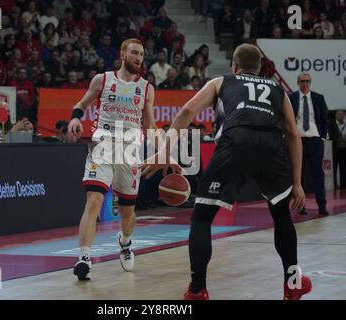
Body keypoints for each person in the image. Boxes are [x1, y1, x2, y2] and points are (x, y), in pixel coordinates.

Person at [141, 43, 312, 300]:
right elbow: (293, 134)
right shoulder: (278, 88)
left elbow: (187, 111)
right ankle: (293, 283)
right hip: (271, 147)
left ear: (234, 66)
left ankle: (198, 289)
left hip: (236, 143)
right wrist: (297, 183)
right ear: (260, 68)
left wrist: (165, 151)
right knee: (282, 217)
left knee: (202, 218)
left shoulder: (222, 81)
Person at [68, 39, 157, 281]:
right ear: (123, 54)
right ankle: (84, 258)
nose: (139, 58)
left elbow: (150, 125)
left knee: (128, 213)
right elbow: (81, 104)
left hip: (130, 151)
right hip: (103, 146)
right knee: (93, 200)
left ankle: (125, 242)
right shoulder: (103, 80)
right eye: (135, 53)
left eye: (142, 54)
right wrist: (76, 118)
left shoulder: (147, 88)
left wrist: (162, 151)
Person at [288, 72, 329, 216]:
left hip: (315, 141)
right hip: (298, 141)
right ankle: (301, 206)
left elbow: (324, 120)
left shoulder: (319, 98)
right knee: (298, 176)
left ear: (310, 82)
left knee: (318, 174)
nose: (305, 84)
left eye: (307, 81)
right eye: (302, 81)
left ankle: (322, 206)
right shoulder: (291, 98)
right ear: (297, 83)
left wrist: (322, 138)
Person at [329, 110, 346, 189]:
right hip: (335, 149)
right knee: (334, 168)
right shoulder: (332, 124)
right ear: (335, 115)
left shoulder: (345, 125)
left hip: (344, 149)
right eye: (338, 114)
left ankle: (343, 185)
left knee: (343, 168)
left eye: (341, 114)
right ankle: (335, 185)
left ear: (344, 115)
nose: (340, 115)